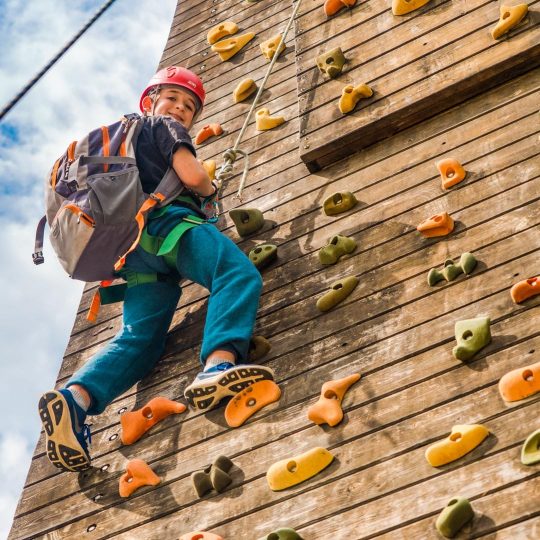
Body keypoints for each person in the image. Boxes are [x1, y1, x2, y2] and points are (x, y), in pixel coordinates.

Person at [38, 66, 274, 473]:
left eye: (189, 107)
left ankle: (76, 400)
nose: (180, 110)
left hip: (132, 256)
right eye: (173, 100)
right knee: (236, 274)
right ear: (150, 103)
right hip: (170, 228)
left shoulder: (126, 141)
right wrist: (211, 192)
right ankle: (217, 366)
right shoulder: (161, 127)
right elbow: (193, 175)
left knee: (141, 338)